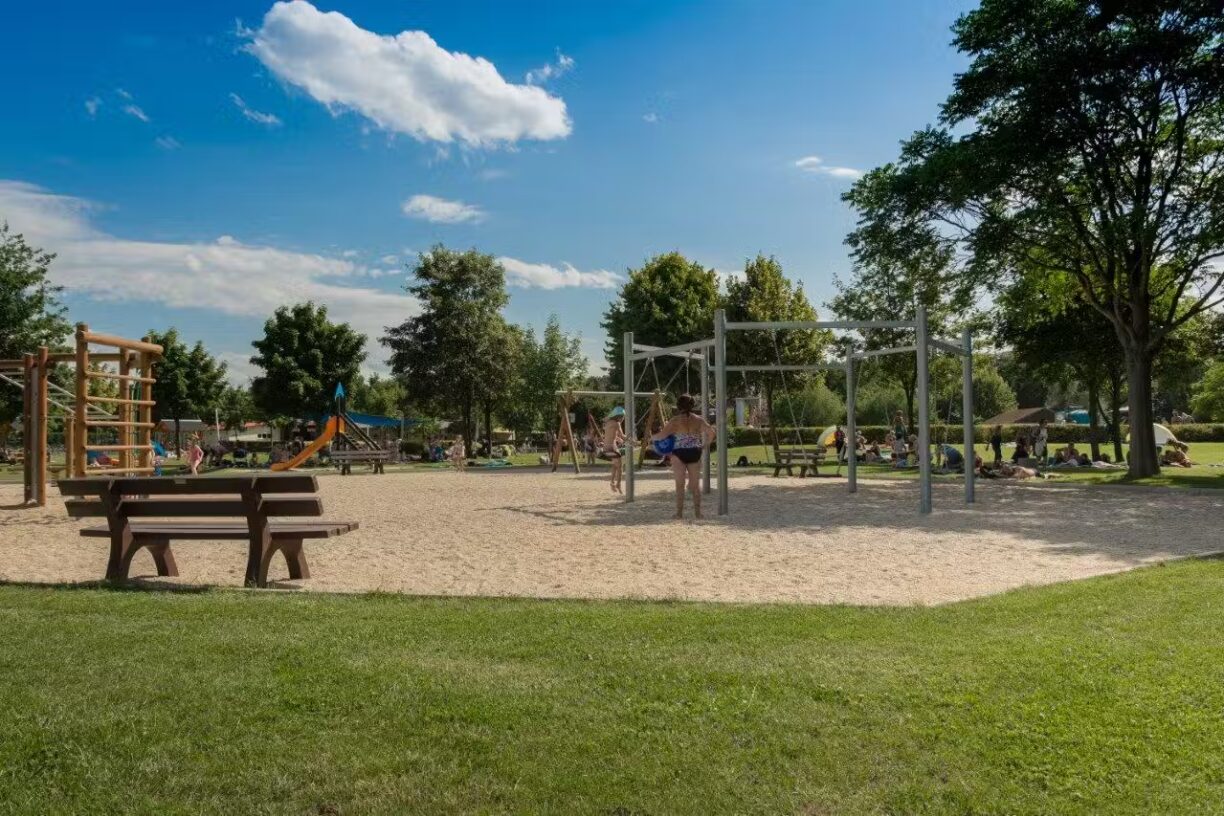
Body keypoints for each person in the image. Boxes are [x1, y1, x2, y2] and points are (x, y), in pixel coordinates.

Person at [652, 393, 714, 519]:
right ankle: (698, 513)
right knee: (695, 486)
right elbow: (712, 432)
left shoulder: (675, 421)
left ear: (678, 405)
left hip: (679, 453)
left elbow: (662, 436)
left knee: (679, 484)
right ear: (692, 405)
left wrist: (651, 438)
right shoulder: (699, 419)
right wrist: (705, 445)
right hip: (695, 452)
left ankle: (679, 513)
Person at [603, 407, 627, 493]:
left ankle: (612, 482)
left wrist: (617, 439)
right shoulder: (617, 423)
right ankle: (618, 484)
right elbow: (623, 436)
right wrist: (631, 440)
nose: (623, 419)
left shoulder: (608, 423)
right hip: (612, 448)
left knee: (614, 465)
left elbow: (610, 435)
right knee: (620, 466)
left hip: (606, 448)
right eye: (623, 417)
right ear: (619, 416)